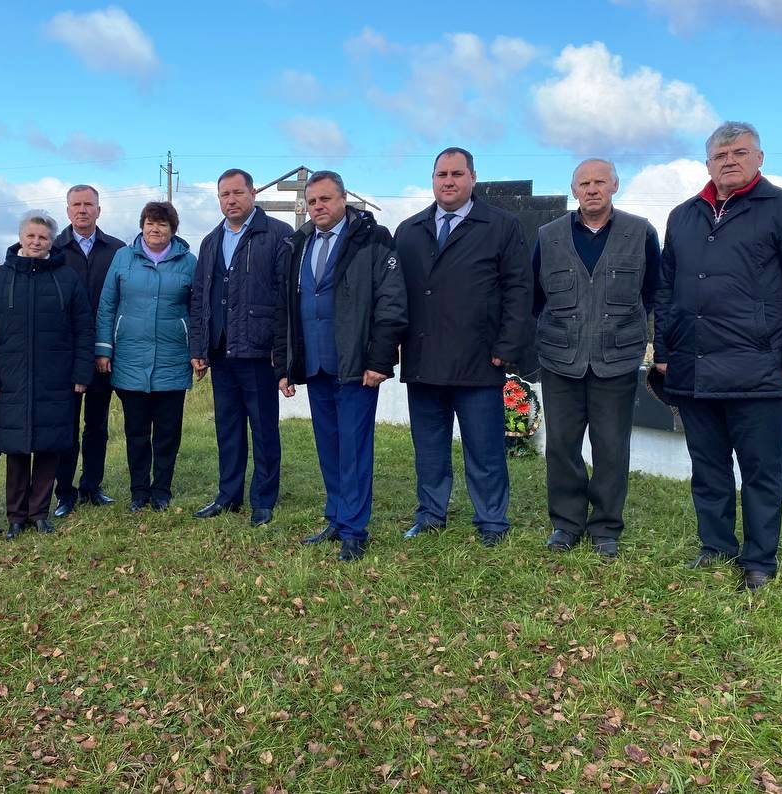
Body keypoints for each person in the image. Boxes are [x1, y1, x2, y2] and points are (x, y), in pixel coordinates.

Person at [654, 121, 782, 591]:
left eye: (739, 152)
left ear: (759, 157)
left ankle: (758, 560)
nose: (728, 160)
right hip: (693, 368)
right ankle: (715, 547)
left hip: (760, 367)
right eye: (719, 154)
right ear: (707, 163)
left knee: (759, 470)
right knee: (707, 467)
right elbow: (667, 290)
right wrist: (666, 351)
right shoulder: (684, 215)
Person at [394, 147, 531, 547]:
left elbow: (519, 290)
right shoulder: (410, 229)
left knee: (485, 449)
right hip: (423, 359)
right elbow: (396, 295)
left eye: (456, 173)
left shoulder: (501, 226)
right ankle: (431, 513)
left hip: (479, 359)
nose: (448, 181)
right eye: (441, 174)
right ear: (432, 180)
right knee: (430, 448)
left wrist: (506, 344)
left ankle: (491, 521)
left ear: (473, 177)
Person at [531, 159, 661, 559]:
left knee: (611, 446)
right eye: (583, 183)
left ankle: (605, 527)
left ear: (614, 186)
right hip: (560, 360)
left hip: (616, 361)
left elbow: (653, 293)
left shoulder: (640, 233)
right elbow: (536, 298)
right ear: (573, 191)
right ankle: (566, 524)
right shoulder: (548, 236)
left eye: (599, 182)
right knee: (562, 446)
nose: (592, 189)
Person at [275, 171, 406, 561]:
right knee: (328, 446)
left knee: (353, 448)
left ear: (344, 199)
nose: (318, 207)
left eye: (326, 199)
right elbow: (287, 308)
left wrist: (380, 358)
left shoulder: (373, 239)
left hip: (356, 366)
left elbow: (392, 302)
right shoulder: (298, 244)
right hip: (315, 363)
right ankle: (335, 516)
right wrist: (286, 363)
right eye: (312, 201)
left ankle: (354, 528)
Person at [0, 211, 94, 538]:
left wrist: (82, 371)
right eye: (31, 236)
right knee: (15, 448)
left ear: (51, 241)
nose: (36, 242)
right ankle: (16, 516)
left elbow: (83, 328)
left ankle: (39, 512)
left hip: (56, 378)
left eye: (43, 237)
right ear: (21, 238)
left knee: (48, 446)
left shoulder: (66, 278)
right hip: (10, 379)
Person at [189, 168, 294, 527]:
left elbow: (285, 298)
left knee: (264, 429)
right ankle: (228, 495)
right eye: (224, 195)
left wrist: (281, 352)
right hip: (222, 352)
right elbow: (200, 298)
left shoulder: (278, 235)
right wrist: (199, 346)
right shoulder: (210, 241)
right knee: (228, 428)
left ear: (252, 194)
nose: (230, 200)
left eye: (237, 193)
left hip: (259, 351)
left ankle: (263, 499)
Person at [95, 201, 197, 512]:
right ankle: (139, 491)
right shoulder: (123, 258)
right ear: (142, 225)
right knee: (136, 432)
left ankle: (162, 490)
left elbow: (198, 310)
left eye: (162, 224)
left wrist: (197, 352)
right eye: (150, 223)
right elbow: (107, 305)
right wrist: (103, 349)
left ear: (172, 229)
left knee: (167, 433)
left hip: (172, 361)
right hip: (129, 360)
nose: (155, 229)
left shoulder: (188, 262)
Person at [51, 185, 126, 517]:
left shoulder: (117, 250)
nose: (82, 210)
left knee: (97, 424)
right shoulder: (53, 250)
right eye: (76, 205)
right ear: (67, 211)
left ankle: (91, 486)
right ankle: (64, 492)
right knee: (65, 425)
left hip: (104, 352)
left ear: (99, 209)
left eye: (89, 204)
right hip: (64, 355)